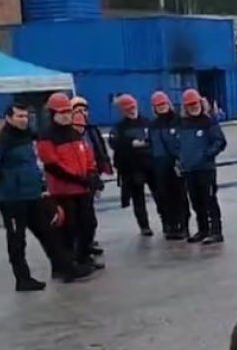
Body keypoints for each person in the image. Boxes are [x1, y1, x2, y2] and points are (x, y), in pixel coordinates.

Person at [0, 103, 95, 290]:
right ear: (8, 118)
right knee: (17, 240)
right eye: (19, 116)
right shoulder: (1, 141)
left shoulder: (27, 137)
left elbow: (33, 165)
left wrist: (40, 187)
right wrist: (10, 181)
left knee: (49, 234)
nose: (24, 120)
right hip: (12, 200)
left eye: (26, 116)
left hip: (33, 196)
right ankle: (22, 278)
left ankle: (65, 268)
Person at [36, 92, 105, 270]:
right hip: (63, 191)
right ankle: (68, 263)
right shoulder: (46, 137)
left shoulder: (74, 133)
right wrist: (79, 179)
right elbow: (52, 165)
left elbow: (87, 155)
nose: (67, 116)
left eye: (68, 112)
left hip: (82, 189)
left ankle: (82, 256)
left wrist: (92, 175)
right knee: (68, 228)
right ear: (53, 114)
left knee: (88, 224)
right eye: (62, 113)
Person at [172, 88, 227, 244]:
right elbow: (178, 144)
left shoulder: (208, 121)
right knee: (196, 202)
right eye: (189, 105)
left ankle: (216, 231)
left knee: (209, 200)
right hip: (189, 169)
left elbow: (220, 141)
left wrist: (207, 154)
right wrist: (180, 159)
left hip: (206, 169)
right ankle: (203, 230)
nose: (193, 107)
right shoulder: (182, 124)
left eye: (195, 104)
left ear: (200, 103)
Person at [108, 94, 161, 236]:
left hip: (150, 165)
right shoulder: (119, 128)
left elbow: (156, 140)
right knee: (138, 198)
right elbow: (114, 144)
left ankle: (167, 221)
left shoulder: (147, 122)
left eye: (133, 107)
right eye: (127, 109)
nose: (131, 110)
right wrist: (131, 144)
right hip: (132, 168)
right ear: (122, 111)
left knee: (160, 195)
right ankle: (144, 226)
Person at [148, 91, 191, 241]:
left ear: (169, 104)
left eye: (163, 104)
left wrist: (182, 159)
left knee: (180, 196)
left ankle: (184, 226)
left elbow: (185, 142)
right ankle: (171, 225)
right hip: (159, 165)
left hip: (176, 164)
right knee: (165, 197)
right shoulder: (153, 125)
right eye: (158, 105)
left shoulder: (179, 121)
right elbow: (151, 144)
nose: (161, 107)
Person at [71, 96, 111, 255]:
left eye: (84, 110)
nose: (82, 113)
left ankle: (88, 241)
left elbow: (99, 147)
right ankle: (79, 245)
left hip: (92, 174)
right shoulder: (69, 134)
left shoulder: (91, 129)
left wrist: (104, 164)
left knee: (89, 214)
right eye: (78, 110)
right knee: (79, 216)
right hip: (77, 179)